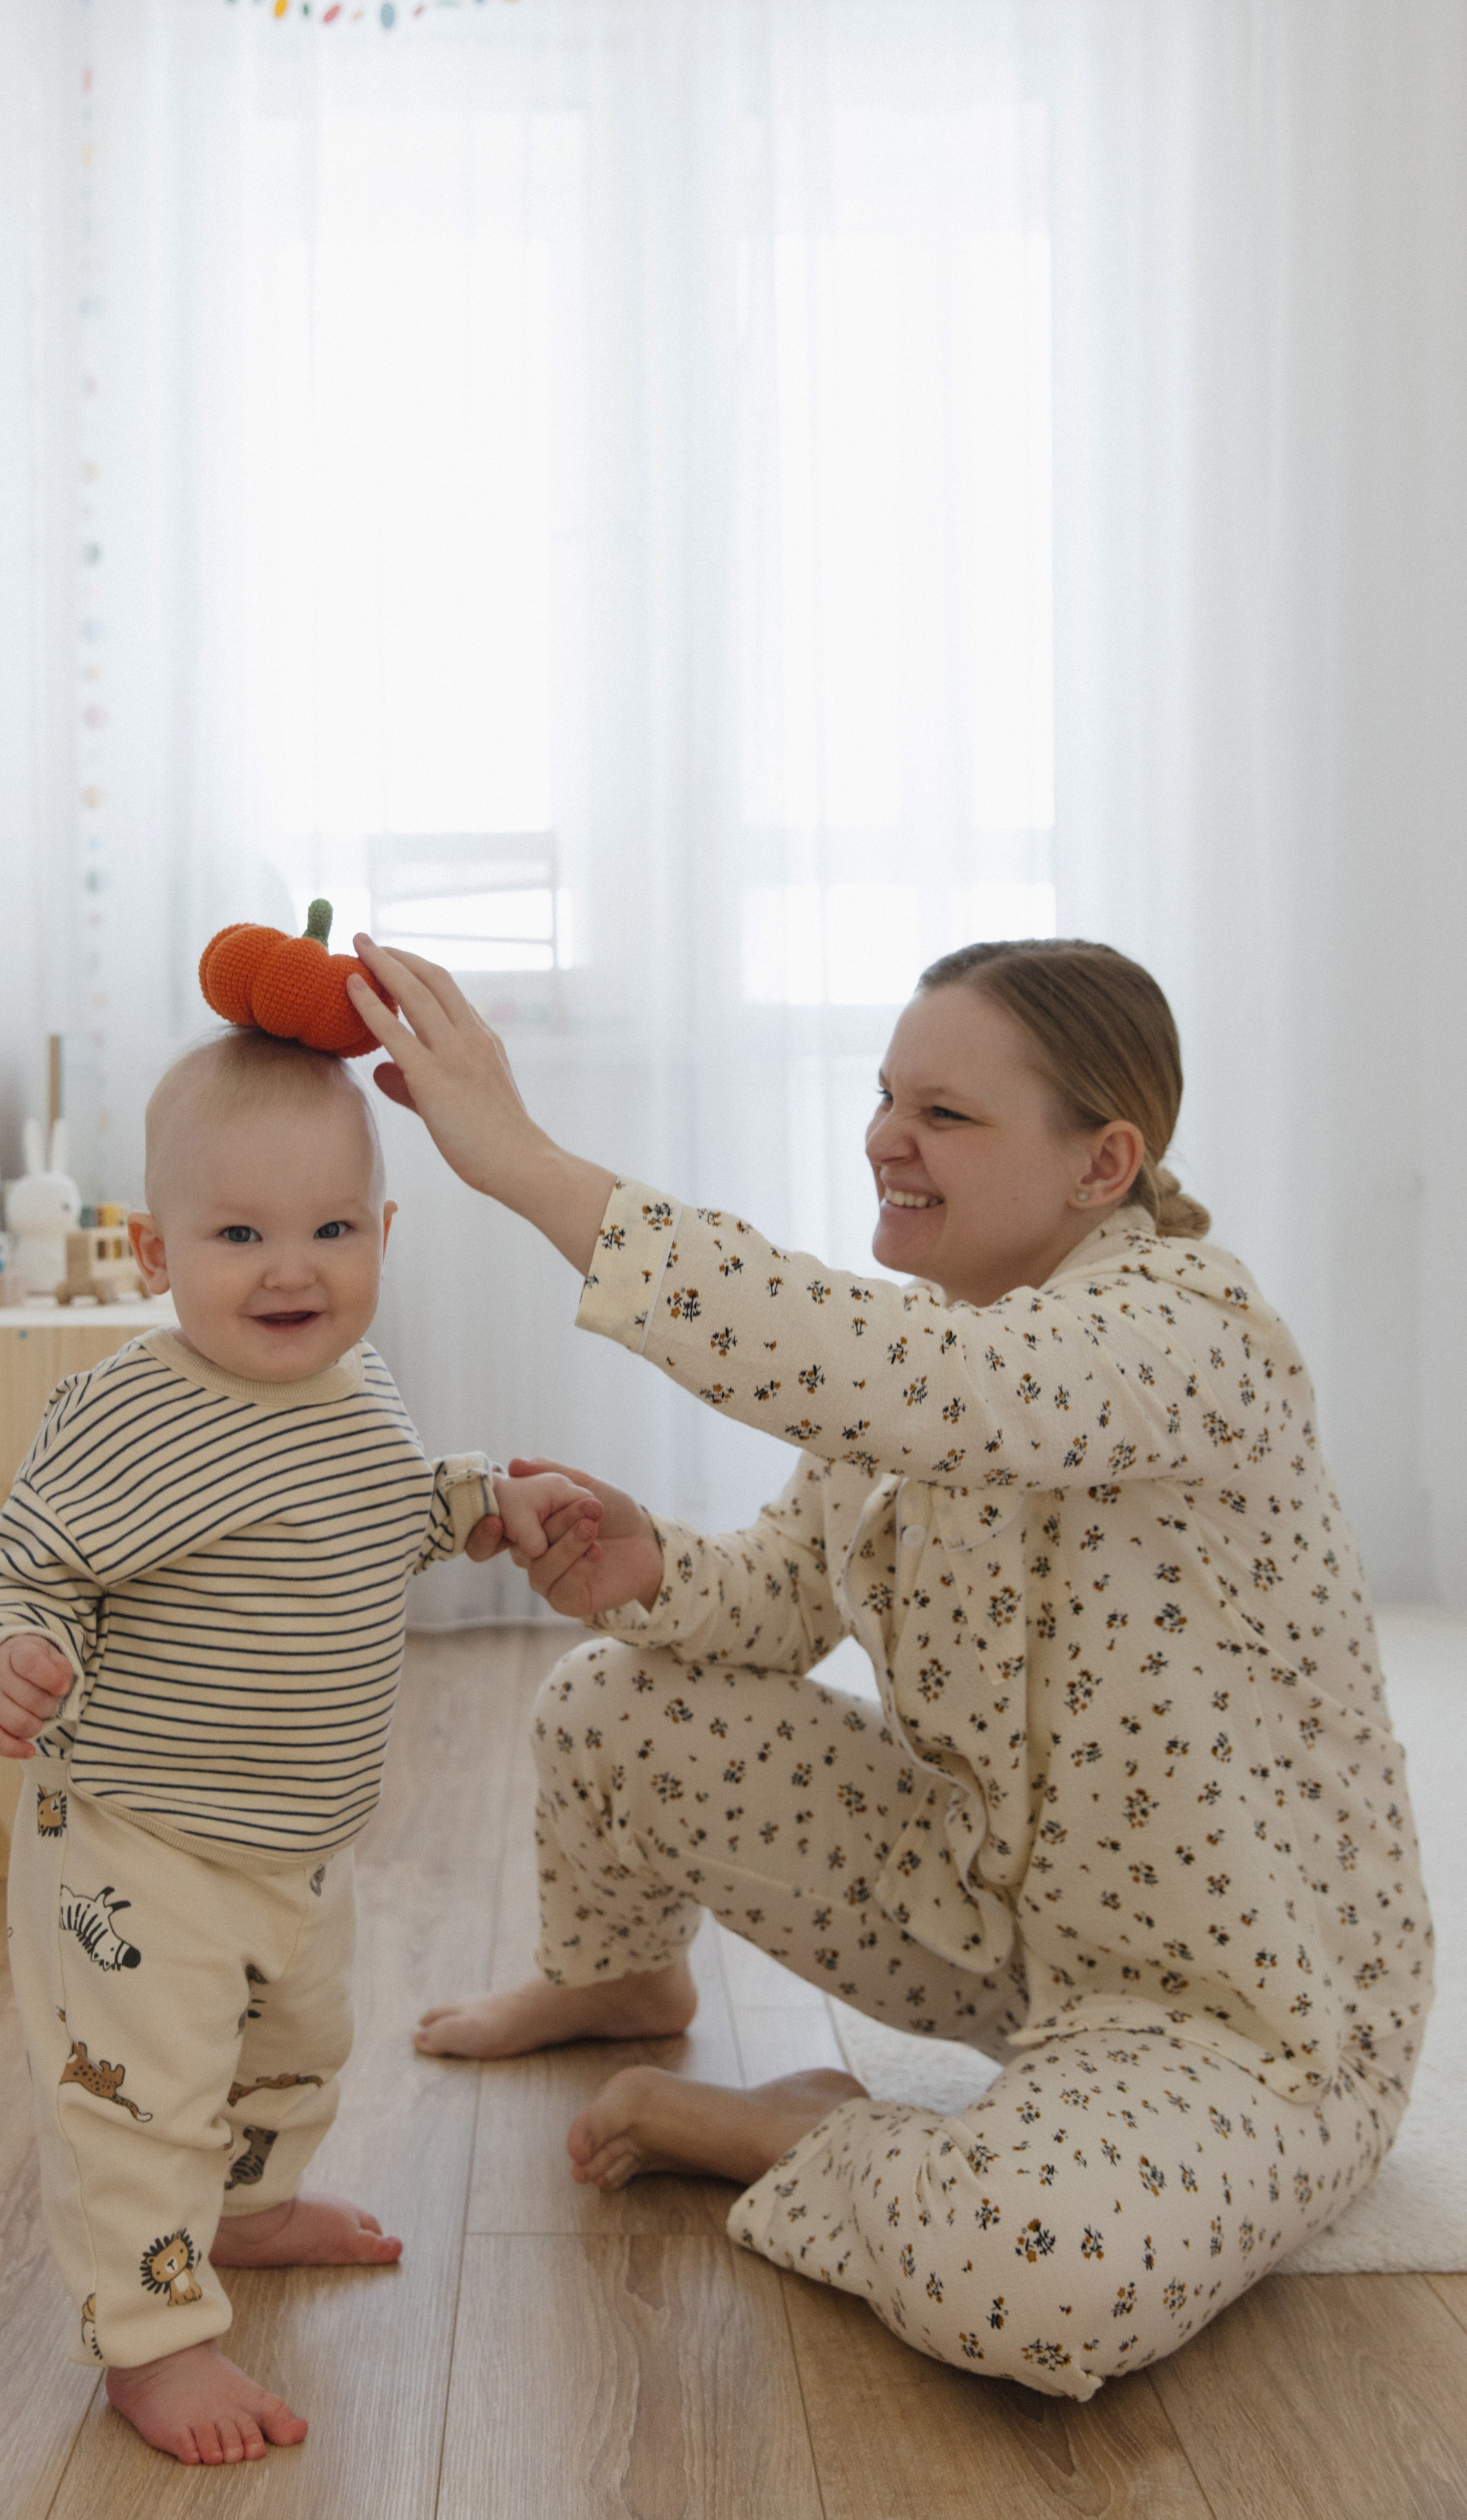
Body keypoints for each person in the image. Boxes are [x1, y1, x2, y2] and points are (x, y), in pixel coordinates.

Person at [343, 932, 1433, 2401]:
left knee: (1030, 2266)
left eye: (944, 1114)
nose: (884, 1140)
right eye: (883, 1097)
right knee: (608, 1700)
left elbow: (917, 1388)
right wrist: (644, 1564)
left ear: (1099, 1164)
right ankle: (615, 1979)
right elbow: (771, 1604)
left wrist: (525, 1162)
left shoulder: (1188, 1339)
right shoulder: (924, 1352)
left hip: (1238, 2014)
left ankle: (799, 2131)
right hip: (989, 1929)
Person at [0, 1030, 597, 2466]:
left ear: (384, 1234)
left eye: (330, 1229)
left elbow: (379, 1513)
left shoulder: (356, 1390)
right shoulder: (129, 1412)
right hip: (135, 1847)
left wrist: (480, 1496)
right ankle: (153, 2339)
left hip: (297, 1843)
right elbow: (7, 1569)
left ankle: (245, 2211)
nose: (291, 1268)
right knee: (143, 2102)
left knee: (292, 2051)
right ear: (158, 1251)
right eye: (239, 1233)